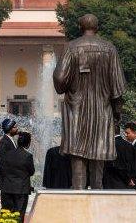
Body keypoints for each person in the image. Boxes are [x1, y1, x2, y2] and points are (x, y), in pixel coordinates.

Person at [52, 13, 126, 190]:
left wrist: (66, 85)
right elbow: (117, 87)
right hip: (102, 110)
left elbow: (60, 79)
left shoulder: (70, 48)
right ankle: (97, 196)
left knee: (77, 156)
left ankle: (77, 194)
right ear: (97, 27)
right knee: (98, 155)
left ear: (80, 27)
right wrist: (117, 112)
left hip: (76, 109)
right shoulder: (109, 49)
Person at [0, 131, 34, 222]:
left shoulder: (7, 154)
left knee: (6, 214)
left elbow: (2, 168)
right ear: (28, 143)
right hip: (21, 190)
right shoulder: (27, 156)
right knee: (19, 215)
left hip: (6, 189)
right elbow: (31, 171)